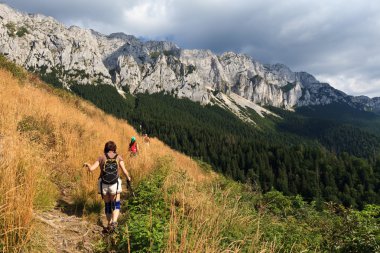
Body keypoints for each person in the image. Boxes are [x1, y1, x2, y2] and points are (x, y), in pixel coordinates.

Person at [84, 141, 131, 233]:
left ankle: (109, 224)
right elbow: (124, 171)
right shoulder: (118, 157)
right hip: (115, 184)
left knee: (108, 205)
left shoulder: (101, 157)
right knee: (116, 204)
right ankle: (114, 222)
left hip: (104, 184)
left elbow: (91, 169)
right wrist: (128, 178)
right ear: (114, 149)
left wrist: (88, 165)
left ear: (105, 148)